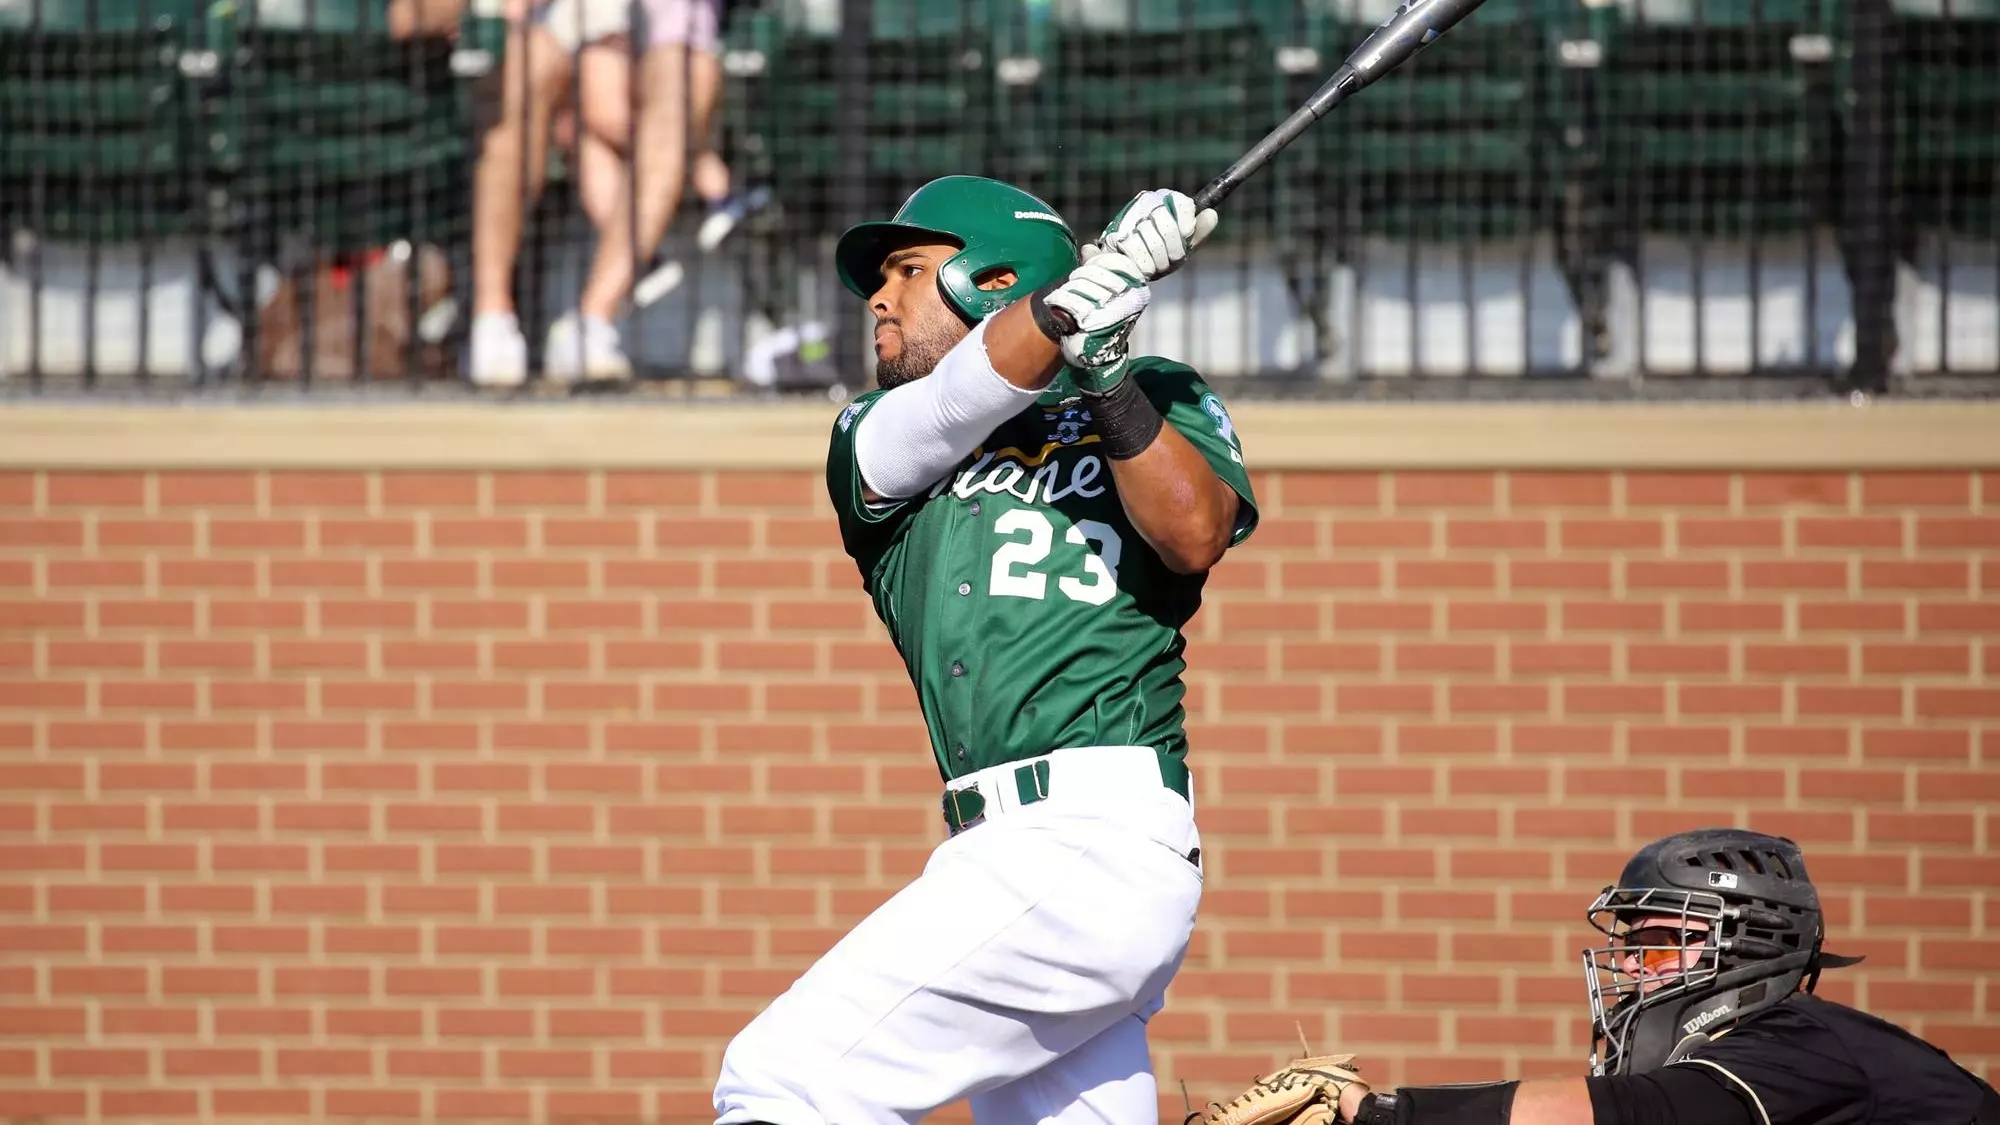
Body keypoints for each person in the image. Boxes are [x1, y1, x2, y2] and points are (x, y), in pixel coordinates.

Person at [710, 174, 1248, 1125]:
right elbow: (963, 399)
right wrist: (1069, 303)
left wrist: (1108, 365)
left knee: (780, 1080)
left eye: (910, 270)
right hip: (1001, 851)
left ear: (993, 277)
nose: (878, 297)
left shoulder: (1155, 394)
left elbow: (1195, 532)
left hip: (1093, 835)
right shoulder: (874, 436)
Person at [1193, 827, 2000, 1125]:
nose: (1634, 965)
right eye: (1632, 939)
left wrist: (1386, 1115)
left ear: (1750, 943)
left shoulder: (1796, 1039)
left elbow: (1632, 1112)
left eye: (1661, 940)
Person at [465, 0, 745, 386]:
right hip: (567, 24)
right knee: (544, 87)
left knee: (680, 87)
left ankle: (592, 320)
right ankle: (493, 320)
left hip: (670, 24)